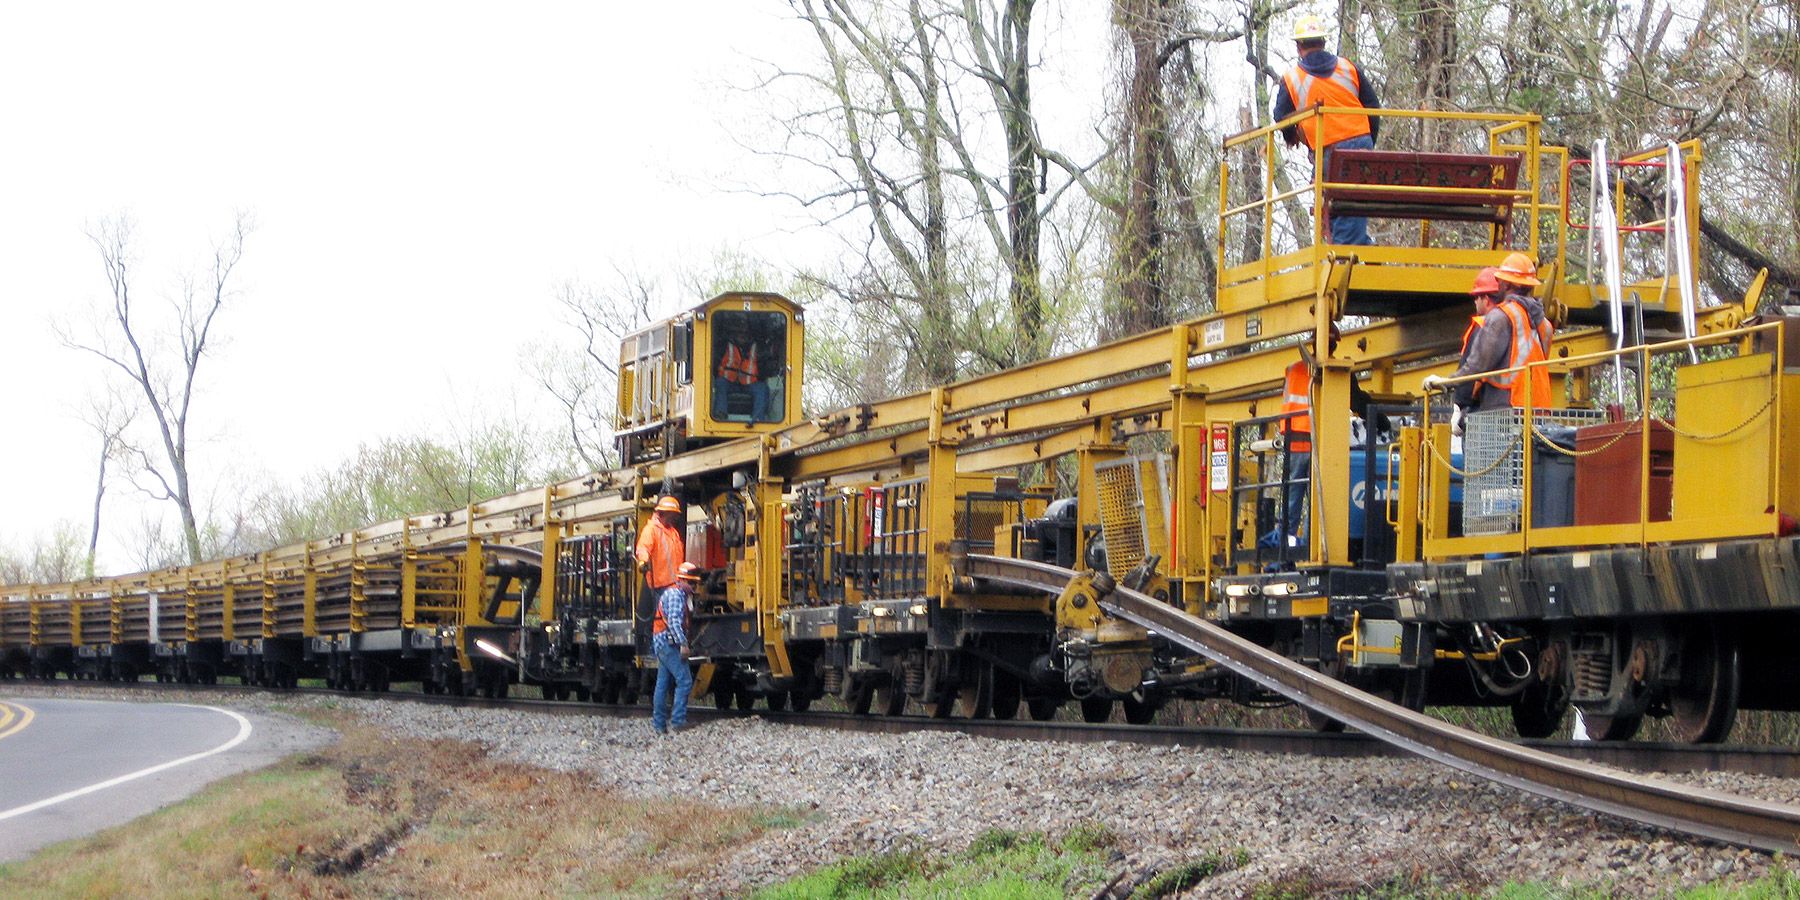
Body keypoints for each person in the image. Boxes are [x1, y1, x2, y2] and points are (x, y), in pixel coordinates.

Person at [1267, 324, 1392, 549]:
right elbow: (1357, 401)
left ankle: (1284, 548)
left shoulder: (1294, 368)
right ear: (1334, 343)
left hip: (1294, 439)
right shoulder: (1335, 371)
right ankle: (1310, 547)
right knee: (1317, 498)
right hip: (1317, 441)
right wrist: (1379, 419)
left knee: (1294, 495)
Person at [1271, 14, 1382, 246]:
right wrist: (1367, 141)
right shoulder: (1348, 68)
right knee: (1348, 205)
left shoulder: (1292, 78)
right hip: (1361, 143)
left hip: (1330, 149)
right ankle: (1360, 248)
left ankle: (1347, 255)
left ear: (1299, 46)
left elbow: (1280, 118)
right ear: (1323, 42)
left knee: (1338, 205)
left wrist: (1298, 136)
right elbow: (1372, 106)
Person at [1423, 256, 1555, 433]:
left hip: (1505, 413)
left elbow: (1478, 365)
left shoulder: (1500, 317)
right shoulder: (1544, 324)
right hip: (1538, 412)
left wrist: (1445, 381)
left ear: (1507, 285)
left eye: (1500, 281)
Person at [650, 561, 700, 735]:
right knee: (684, 680)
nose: (695, 586)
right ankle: (678, 721)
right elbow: (673, 623)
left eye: (696, 583)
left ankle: (659, 725)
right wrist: (684, 644)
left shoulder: (679, 595)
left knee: (662, 684)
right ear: (683, 580)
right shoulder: (674, 596)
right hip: (667, 643)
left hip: (664, 643)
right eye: (692, 583)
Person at [713, 321, 769, 421]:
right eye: (739, 333)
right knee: (719, 383)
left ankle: (758, 419)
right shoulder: (724, 346)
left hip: (750, 384)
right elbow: (714, 362)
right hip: (729, 382)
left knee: (762, 388)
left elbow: (764, 366)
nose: (742, 335)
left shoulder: (758, 348)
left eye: (745, 333)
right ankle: (721, 414)